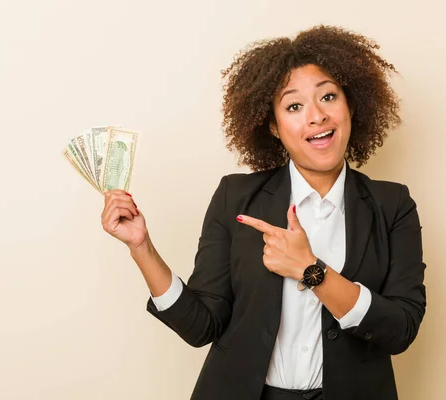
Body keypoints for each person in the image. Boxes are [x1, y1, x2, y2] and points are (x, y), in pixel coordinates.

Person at [101, 25, 426, 400]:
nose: (316, 116)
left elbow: (400, 329)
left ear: (350, 105)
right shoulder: (235, 197)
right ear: (273, 126)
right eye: (294, 106)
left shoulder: (392, 205)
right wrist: (141, 246)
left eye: (329, 97)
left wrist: (311, 271)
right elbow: (200, 327)